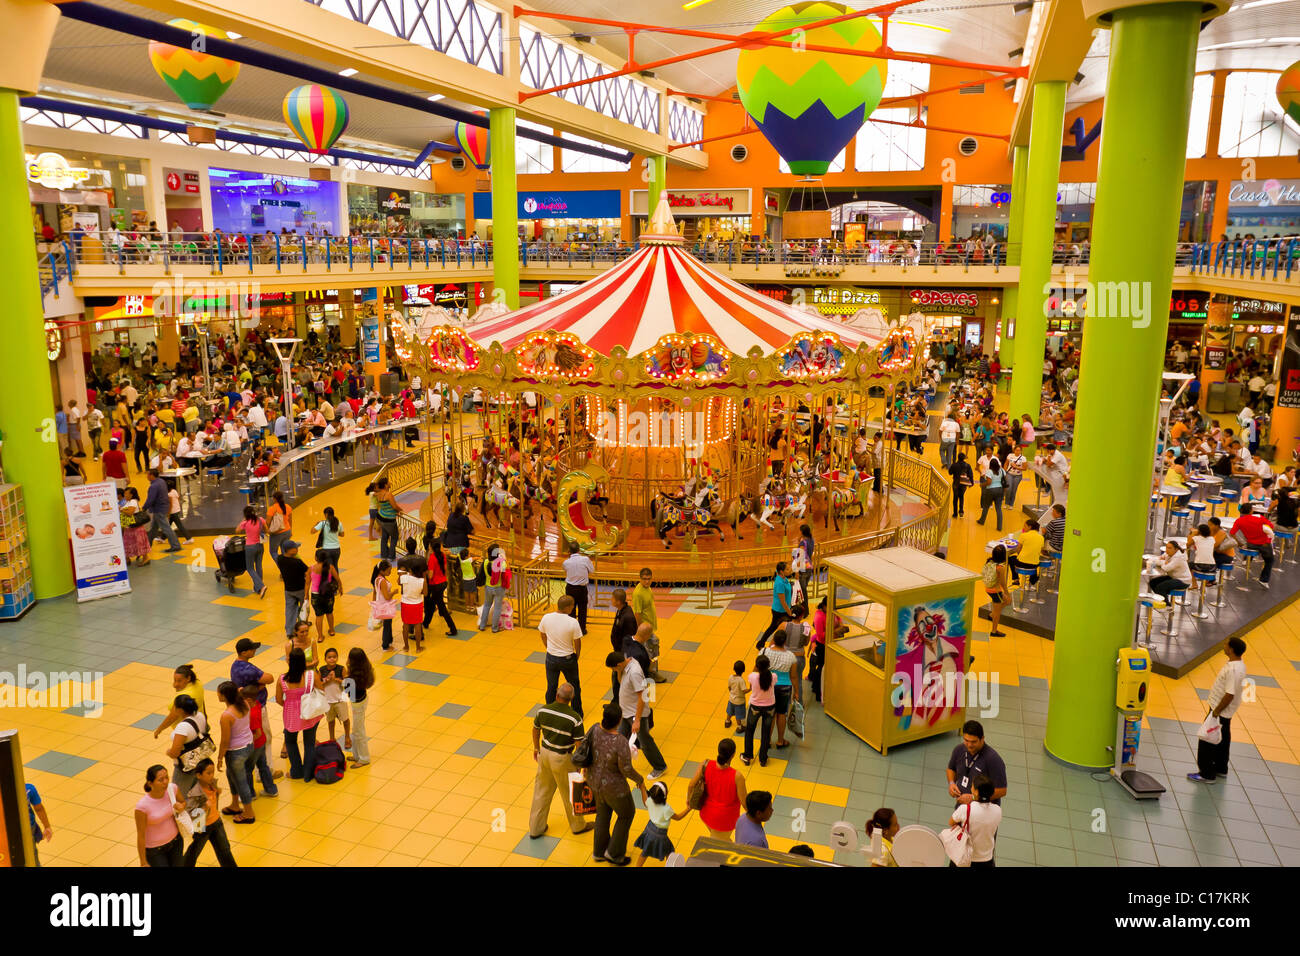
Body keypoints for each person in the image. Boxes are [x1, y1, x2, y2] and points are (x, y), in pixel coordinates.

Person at [528, 682, 593, 839]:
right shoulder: (575, 719)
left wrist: (536, 748)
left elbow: (535, 729)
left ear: (557, 695)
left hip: (544, 754)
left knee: (541, 791)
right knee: (570, 793)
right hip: (562, 758)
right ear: (571, 699)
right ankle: (578, 825)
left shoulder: (543, 710)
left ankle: (536, 828)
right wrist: (580, 766)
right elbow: (579, 745)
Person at [587, 702, 647, 866]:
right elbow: (626, 769)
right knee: (627, 814)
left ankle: (598, 852)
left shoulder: (594, 729)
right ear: (619, 721)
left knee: (603, 813)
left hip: (594, 782)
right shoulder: (620, 741)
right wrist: (640, 780)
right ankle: (614, 853)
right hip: (615, 788)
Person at [1189, 638, 1247, 783]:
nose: (1224, 646)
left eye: (1226, 644)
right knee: (1223, 738)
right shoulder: (1240, 665)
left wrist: (1216, 712)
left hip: (1219, 710)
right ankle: (1221, 767)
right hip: (1226, 712)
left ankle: (1206, 773)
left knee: (1207, 739)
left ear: (1232, 649)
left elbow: (1230, 694)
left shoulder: (1233, 670)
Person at [610, 646, 668, 780]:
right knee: (620, 737)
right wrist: (618, 671)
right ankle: (616, 764)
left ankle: (660, 766)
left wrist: (637, 720)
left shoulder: (634, 672)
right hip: (626, 711)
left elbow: (642, 696)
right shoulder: (625, 665)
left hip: (636, 714)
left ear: (618, 664)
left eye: (613, 668)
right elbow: (621, 682)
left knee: (645, 741)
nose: (613, 671)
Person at [182, 758, 238, 867]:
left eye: (212, 772)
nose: (212, 775)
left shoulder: (212, 784)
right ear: (198, 775)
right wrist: (204, 808)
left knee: (224, 849)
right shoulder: (195, 794)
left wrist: (217, 791)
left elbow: (214, 800)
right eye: (208, 773)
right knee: (194, 851)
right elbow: (192, 814)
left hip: (216, 822)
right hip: (203, 827)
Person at [214, 681, 256, 824]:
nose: (217, 694)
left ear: (225, 696)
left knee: (240, 781)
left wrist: (220, 758)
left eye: (219, 692)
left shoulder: (227, 716)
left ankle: (249, 813)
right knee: (231, 775)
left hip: (236, 752)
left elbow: (225, 741)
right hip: (249, 745)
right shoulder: (244, 703)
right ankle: (234, 804)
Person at [277, 647, 322, 781]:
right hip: (310, 713)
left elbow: (279, 699)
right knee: (309, 742)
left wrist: (290, 706)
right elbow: (322, 690)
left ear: (289, 661)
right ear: (304, 661)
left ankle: (296, 772)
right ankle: (308, 774)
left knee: (290, 742)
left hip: (291, 715)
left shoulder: (282, 679)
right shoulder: (311, 675)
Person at [691, 737, 747, 840]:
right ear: (733, 754)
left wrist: (689, 800)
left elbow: (691, 785)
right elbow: (744, 803)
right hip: (724, 821)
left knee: (722, 840)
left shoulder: (706, 764)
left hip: (706, 814)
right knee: (719, 846)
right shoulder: (737, 776)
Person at [540, 594, 584, 716]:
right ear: (568, 607)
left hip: (551, 658)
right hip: (568, 659)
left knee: (552, 686)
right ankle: (577, 713)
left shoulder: (546, 617)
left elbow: (542, 634)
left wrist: (548, 647)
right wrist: (577, 655)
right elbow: (577, 641)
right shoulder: (572, 622)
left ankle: (549, 710)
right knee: (574, 686)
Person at [946, 720, 1008, 806]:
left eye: (974, 742)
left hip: (983, 812)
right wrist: (951, 783)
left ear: (982, 738)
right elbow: (951, 769)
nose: (969, 745)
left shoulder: (993, 760)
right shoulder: (959, 750)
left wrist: (974, 798)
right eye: (966, 740)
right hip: (962, 807)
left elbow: (1002, 791)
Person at [135, 765, 185, 867]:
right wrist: (143, 862)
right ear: (150, 783)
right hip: (155, 851)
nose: (165, 782)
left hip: (176, 842)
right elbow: (141, 835)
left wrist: (181, 806)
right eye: (160, 780)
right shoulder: (142, 807)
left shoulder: (173, 789)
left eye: (167, 777)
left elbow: (183, 802)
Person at [165, 693, 210, 798]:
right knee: (196, 793)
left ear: (180, 710)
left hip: (185, 767)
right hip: (200, 760)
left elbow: (175, 752)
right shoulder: (200, 715)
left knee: (179, 796)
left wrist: (168, 752)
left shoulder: (183, 727)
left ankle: (184, 814)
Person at [633, 781, 689, 866]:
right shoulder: (666, 809)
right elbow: (678, 817)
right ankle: (670, 865)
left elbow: (644, 801)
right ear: (665, 795)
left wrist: (642, 788)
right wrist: (689, 808)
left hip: (649, 829)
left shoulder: (650, 801)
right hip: (660, 835)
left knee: (645, 851)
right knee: (669, 852)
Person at [954, 774, 1002, 868]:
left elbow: (952, 822)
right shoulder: (998, 810)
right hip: (986, 859)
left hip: (965, 857)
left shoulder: (965, 809)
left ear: (975, 792)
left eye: (972, 786)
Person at [631, 567, 667, 682]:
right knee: (652, 647)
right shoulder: (638, 593)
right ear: (640, 579)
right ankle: (652, 673)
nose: (647, 581)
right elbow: (637, 613)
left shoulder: (648, 588)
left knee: (651, 649)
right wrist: (642, 630)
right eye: (644, 579)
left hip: (649, 626)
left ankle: (649, 671)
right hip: (644, 629)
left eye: (649, 579)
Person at [153, 664, 208, 739]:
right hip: (200, 725)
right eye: (174, 680)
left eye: (179, 681)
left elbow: (172, 717)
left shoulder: (184, 697)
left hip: (187, 731)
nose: (174, 685)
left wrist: (159, 730)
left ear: (188, 678)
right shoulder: (197, 684)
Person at [741, 655, 777, 768]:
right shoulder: (774, 676)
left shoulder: (752, 676)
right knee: (766, 733)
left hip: (755, 707)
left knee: (750, 730)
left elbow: (751, 683)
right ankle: (763, 758)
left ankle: (747, 756)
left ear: (757, 666)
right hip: (770, 707)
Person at [766, 631, 798, 748]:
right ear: (785, 642)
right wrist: (796, 692)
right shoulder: (791, 656)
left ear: (773, 639)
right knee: (781, 714)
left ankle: (768, 740)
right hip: (784, 687)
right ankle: (780, 740)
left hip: (769, 686)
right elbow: (793, 676)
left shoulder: (765, 652)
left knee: (771, 714)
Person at [1233, 503, 1276, 588]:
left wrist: (1238, 542)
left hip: (1251, 544)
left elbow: (1232, 533)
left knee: (1247, 545)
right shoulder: (1259, 517)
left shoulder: (1239, 520)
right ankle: (1264, 580)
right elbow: (1271, 526)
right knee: (1269, 561)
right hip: (1264, 544)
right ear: (1251, 510)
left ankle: (1246, 559)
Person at [345, 647, 375, 767]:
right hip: (362, 700)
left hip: (358, 704)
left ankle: (364, 758)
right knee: (356, 730)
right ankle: (357, 755)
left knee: (359, 732)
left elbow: (346, 691)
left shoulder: (353, 677)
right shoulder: (365, 671)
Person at [756, 561, 794, 650]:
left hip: (785, 609)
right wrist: (789, 612)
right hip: (779, 611)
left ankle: (763, 643)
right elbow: (782, 601)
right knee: (773, 628)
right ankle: (761, 643)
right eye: (787, 569)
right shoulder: (779, 583)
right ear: (781, 571)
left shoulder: (784, 579)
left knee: (782, 627)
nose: (790, 570)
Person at [319, 647, 352, 749]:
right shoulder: (322, 670)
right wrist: (327, 680)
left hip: (340, 700)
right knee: (330, 720)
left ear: (337, 658)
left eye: (334, 657)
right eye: (329, 657)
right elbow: (319, 685)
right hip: (328, 701)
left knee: (345, 719)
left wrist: (336, 679)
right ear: (325, 659)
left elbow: (347, 683)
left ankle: (347, 737)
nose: (332, 659)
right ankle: (332, 738)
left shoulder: (341, 669)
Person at [143, 468, 182, 554]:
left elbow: (151, 499)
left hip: (158, 509)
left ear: (152, 475)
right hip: (163, 507)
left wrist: (144, 508)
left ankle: (176, 545)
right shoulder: (161, 481)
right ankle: (148, 545)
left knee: (166, 528)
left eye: (148, 474)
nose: (147, 476)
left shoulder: (153, 486)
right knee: (153, 528)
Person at [276, 539, 309, 638]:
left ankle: (290, 631)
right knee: (304, 609)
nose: (297, 550)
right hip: (300, 589)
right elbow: (307, 571)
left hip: (288, 590)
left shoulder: (280, 559)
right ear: (289, 550)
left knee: (290, 610)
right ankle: (302, 628)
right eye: (295, 548)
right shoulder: (297, 562)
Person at [309, 550, 341, 641]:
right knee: (329, 612)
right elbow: (337, 578)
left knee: (319, 616)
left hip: (316, 595)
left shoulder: (311, 568)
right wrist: (340, 588)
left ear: (316, 558)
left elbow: (307, 583)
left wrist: (306, 596)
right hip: (328, 593)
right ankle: (331, 630)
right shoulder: (330, 567)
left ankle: (320, 636)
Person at [237, 505, 269, 598]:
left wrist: (243, 520)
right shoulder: (260, 520)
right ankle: (257, 588)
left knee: (250, 568)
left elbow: (237, 530)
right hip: (260, 546)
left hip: (250, 547)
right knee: (259, 566)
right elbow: (267, 530)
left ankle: (261, 586)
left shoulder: (245, 522)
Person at [563, 543, 595, 634]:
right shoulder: (585, 559)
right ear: (579, 550)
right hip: (581, 588)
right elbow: (592, 570)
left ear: (569, 551)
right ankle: (582, 630)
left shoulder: (566, 562)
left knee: (570, 609)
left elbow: (565, 570)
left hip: (570, 588)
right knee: (582, 609)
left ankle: (572, 630)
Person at [478, 542, 509, 633]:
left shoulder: (486, 562)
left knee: (486, 605)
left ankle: (482, 625)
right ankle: (495, 628)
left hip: (488, 587)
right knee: (497, 608)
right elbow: (505, 573)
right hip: (499, 588)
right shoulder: (501, 563)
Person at [372, 477, 405, 559]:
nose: (390, 483)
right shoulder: (388, 494)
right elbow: (394, 506)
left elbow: (385, 506)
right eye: (388, 482)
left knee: (384, 537)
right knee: (394, 537)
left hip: (381, 518)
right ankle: (391, 555)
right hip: (389, 520)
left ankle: (383, 555)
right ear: (386, 485)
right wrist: (401, 510)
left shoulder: (378, 494)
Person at [398, 557, 427, 652]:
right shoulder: (422, 581)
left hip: (405, 603)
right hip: (417, 604)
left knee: (405, 625)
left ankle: (406, 646)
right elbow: (425, 593)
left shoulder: (404, 577)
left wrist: (402, 572)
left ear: (410, 569)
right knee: (418, 625)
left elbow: (399, 582)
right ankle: (418, 647)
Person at [983, 544, 1010, 637]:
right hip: (995, 591)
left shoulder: (989, 562)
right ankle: (994, 631)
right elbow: (1003, 583)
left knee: (1007, 601)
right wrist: (1006, 592)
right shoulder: (1000, 568)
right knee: (998, 612)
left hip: (988, 588)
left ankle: (991, 614)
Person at [25, 782, 53, 866]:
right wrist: (47, 826)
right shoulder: (29, 789)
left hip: (7, 830)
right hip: (29, 826)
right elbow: (39, 808)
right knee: (32, 854)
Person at [371, 560, 396, 650]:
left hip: (381, 605)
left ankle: (389, 640)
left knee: (387, 624)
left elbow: (374, 593)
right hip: (385, 606)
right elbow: (387, 596)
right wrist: (393, 592)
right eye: (389, 570)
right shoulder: (382, 581)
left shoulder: (376, 579)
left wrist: (374, 605)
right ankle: (385, 644)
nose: (390, 572)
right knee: (387, 625)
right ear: (382, 570)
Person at [976, 457, 1005, 530]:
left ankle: (982, 521)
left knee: (986, 507)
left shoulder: (989, 471)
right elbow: (1005, 479)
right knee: (998, 509)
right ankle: (999, 526)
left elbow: (989, 482)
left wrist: (982, 484)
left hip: (991, 491)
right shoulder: (1002, 470)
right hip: (1000, 490)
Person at [266, 491, 292, 562]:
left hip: (277, 533)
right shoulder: (288, 507)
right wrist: (291, 530)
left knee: (273, 552)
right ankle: (287, 569)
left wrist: (267, 531)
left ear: (274, 499)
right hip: (287, 531)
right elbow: (290, 520)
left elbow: (267, 522)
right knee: (285, 551)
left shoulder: (272, 509)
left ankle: (282, 568)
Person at [725, 659, 748, 732]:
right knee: (738, 715)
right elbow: (744, 691)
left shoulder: (730, 677)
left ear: (734, 669)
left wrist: (732, 693)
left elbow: (729, 687)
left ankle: (727, 721)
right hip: (739, 701)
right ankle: (739, 727)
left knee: (730, 711)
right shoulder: (741, 680)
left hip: (731, 699)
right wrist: (750, 689)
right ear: (743, 670)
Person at [948, 452, 974, 518]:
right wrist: (972, 483)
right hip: (963, 483)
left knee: (955, 498)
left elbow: (950, 473)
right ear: (964, 458)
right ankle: (961, 511)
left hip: (956, 483)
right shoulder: (968, 465)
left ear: (958, 457)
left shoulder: (954, 465)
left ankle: (955, 513)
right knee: (961, 496)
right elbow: (970, 475)